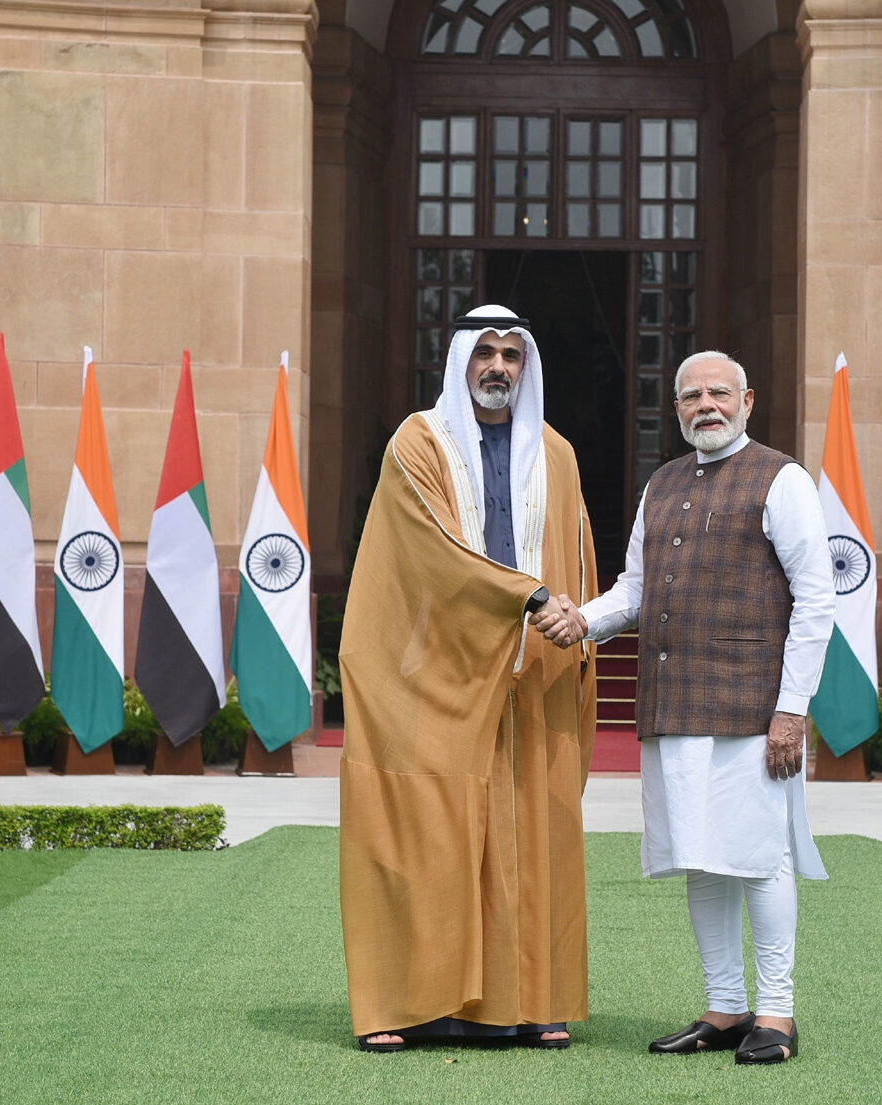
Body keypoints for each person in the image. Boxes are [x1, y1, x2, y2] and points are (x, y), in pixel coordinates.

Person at [535, 351, 834, 1065]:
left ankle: (778, 1013)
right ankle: (725, 1007)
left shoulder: (781, 478)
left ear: (747, 399)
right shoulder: (662, 482)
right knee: (702, 857)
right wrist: (584, 620)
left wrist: (791, 709)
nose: (706, 404)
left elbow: (817, 597)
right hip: (673, 707)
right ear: (675, 410)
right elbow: (634, 593)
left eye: (718, 393)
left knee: (761, 859)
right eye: (690, 396)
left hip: (752, 710)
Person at [338, 305, 597, 1052]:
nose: (497, 367)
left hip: (533, 668)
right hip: (438, 672)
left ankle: (531, 1000)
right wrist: (527, 597)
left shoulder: (556, 452)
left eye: (512, 355)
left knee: (533, 831)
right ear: (458, 361)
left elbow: (574, 555)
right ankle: (409, 1002)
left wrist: (572, 620)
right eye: (484, 352)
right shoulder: (416, 443)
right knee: (427, 832)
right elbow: (431, 550)